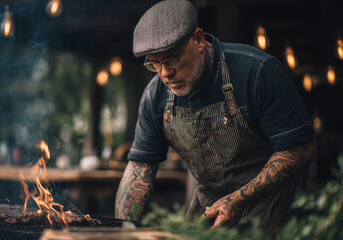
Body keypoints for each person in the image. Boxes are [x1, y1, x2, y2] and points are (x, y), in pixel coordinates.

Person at [115, 0, 316, 236]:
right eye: (154, 64)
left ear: (199, 40)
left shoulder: (258, 73)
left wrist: (239, 199)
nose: (165, 74)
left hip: (273, 216)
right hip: (207, 218)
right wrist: (124, 231)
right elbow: (139, 170)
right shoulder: (154, 97)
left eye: (172, 59)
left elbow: (300, 150)